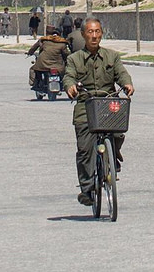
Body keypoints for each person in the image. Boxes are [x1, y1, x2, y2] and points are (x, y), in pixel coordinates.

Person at [63, 18, 135, 206]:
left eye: (97, 32)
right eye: (90, 32)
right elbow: (69, 76)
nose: (94, 36)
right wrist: (70, 87)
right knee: (85, 149)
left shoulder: (112, 56)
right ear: (83, 35)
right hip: (85, 107)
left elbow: (121, 73)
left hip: (107, 105)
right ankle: (87, 189)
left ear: (101, 33)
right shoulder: (74, 59)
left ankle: (113, 157)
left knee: (119, 133)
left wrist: (127, 83)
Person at [26, 26, 69, 91]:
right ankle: (63, 84)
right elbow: (66, 54)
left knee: (33, 69)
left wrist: (29, 53)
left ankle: (35, 84)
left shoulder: (44, 40)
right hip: (58, 66)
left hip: (43, 64)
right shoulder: (62, 43)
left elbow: (34, 48)